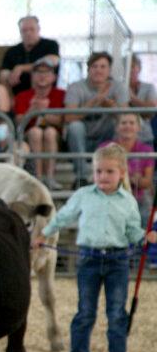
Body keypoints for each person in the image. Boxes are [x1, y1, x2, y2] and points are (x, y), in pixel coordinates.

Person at [34, 144, 157, 352]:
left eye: (110, 172)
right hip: (89, 260)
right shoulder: (84, 195)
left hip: (117, 261)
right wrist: (44, 234)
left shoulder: (128, 201)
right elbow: (63, 216)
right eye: (99, 171)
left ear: (122, 173)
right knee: (85, 312)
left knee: (116, 313)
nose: (103, 176)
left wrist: (145, 237)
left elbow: (132, 231)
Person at [65, 52, 130, 188]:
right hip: (81, 140)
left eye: (103, 66)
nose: (98, 70)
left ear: (109, 70)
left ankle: (116, 176)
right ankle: (82, 178)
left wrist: (112, 107)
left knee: (117, 124)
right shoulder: (75, 87)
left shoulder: (118, 87)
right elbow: (69, 117)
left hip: (105, 138)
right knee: (75, 126)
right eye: (94, 66)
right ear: (88, 69)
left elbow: (126, 118)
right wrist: (94, 102)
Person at [13, 59, 65, 189]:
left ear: (54, 77)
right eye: (38, 72)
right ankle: (38, 178)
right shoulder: (22, 96)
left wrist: (43, 112)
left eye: (47, 72)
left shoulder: (61, 94)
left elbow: (62, 121)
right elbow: (19, 122)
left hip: (54, 136)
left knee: (50, 132)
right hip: (30, 135)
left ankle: (50, 177)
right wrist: (32, 110)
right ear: (32, 76)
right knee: (36, 132)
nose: (42, 76)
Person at [100, 113, 155, 223]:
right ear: (117, 128)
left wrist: (121, 176)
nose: (127, 126)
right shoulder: (105, 147)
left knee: (147, 213)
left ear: (138, 128)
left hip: (138, 197)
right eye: (123, 123)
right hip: (111, 196)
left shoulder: (146, 150)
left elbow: (147, 182)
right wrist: (132, 177)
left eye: (132, 123)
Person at [0, 15, 60, 96]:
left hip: (47, 94)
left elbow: (52, 61)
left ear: (38, 29)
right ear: (20, 32)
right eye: (24, 30)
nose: (28, 33)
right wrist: (8, 78)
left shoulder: (50, 45)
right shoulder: (12, 51)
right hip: (19, 95)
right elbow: (4, 74)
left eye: (32, 29)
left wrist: (21, 68)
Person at [128, 55, 156, 144]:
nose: (130, 70)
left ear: (139, 68)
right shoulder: (119, 87)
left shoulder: (149, 87)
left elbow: (151, 111)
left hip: (144, 134)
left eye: (132, 66)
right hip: (123, 135)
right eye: (127, 66)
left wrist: (133, 99)